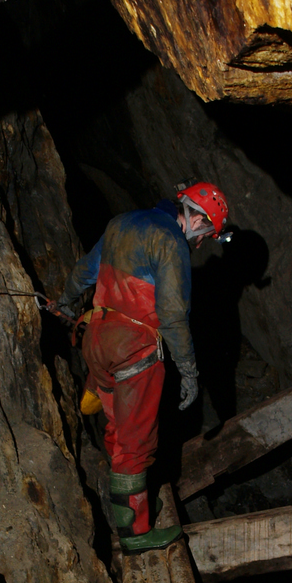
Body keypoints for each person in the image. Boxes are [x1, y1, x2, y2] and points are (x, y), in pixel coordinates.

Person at [58, 181, 231, 553]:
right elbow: (171, 314)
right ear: (196, 220)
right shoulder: (170, 241)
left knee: (117, 430)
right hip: (133, 351)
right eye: (205, 234)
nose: (200, 243)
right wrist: (188, 370)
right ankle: (135, 534)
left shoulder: (120, 222)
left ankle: (122, 504)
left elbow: (86, 271)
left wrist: (65, 303)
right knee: (136, 444)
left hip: (97, 339)